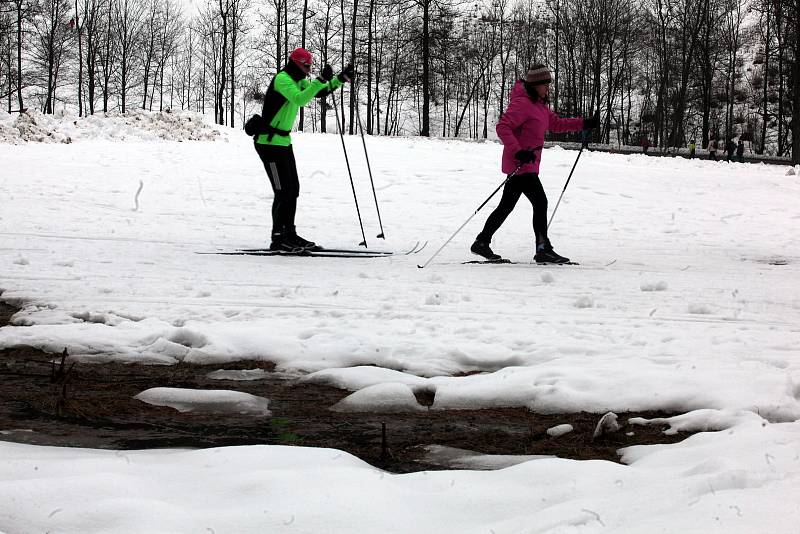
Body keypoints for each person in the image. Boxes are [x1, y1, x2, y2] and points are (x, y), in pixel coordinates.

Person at [470, 64, 598, 264]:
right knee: (540, 202)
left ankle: (482, 241)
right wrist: (518, 151)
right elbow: (503, 127)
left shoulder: (539, 106)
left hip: (528, 164)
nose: (548, 88)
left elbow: (557, 124)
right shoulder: (522, 104)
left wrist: (584, 123)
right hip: (521, 165)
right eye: (545, 84)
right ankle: (542, 248)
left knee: (506, 206)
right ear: (535, 84)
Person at [253, 48, 354, 252]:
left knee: (293, 189)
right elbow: (299, 99)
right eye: (306, 66)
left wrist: (338, 79)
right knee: (282, 191)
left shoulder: (298, 79)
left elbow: (318, 92)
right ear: (297, 63)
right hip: (268, 143)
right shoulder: (283, 79)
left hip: (283, 142)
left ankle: (289, 234)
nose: (309, 69)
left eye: (310, 66)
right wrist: (318, 80)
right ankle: (278, 238)